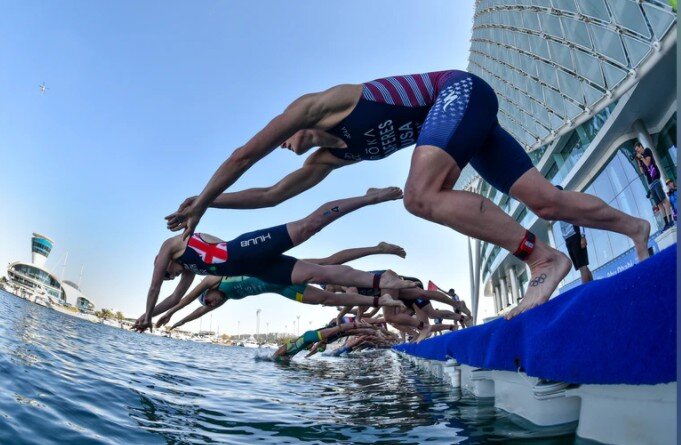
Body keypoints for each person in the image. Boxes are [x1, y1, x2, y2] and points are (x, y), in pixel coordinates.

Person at [165, 69, 650, 320]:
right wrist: (208, 204)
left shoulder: (317, 106)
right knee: (546, 200)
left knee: (419, 195)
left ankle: (540, 258)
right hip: (468, 125)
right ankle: (636, 229)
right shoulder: (327, 161)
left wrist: (206, 195)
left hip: (460, 94)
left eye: (286, 138)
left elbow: (244, 156)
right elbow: (270, 194)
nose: (286, 146)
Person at [136, 187, 415, 332]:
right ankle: (380, 287)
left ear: (160, 263)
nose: (170, 277)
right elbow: (174, 300)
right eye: (169, 277)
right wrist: (148, 316)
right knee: (321, 274)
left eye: (167, 275)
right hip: (263, 271)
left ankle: (369, 197)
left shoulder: (172, 246)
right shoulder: (188, 270)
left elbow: (154, 289)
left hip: (246, 249)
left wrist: (149, 313)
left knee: (309, 226)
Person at [148, 244, 409, 331]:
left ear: (208, 293)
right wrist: (176, 325)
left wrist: (169, 312)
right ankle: (380, 302)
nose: (211, 304)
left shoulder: (213, 280)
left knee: (329, 263)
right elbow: (197, 313)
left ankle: (378, 248)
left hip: (279, 269)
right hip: (283, 288)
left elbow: (184, 300)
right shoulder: (224, 298)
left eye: (208, 301)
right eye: (210, 305)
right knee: (327, 300)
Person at [555, 186, 593, 284]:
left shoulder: (570, 204)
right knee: (582, 265)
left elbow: (580, 218)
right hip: (568, 240)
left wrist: (583, 236)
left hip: (576, 236)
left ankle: (585, 291)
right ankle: (593, 285)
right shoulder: (557, 209)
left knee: (582, 266)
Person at [634, 141, 674, 231]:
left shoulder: (647, 151)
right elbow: (643, 172)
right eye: (636, 151)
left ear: (641, 147)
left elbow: (648, 163)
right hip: (650, 183)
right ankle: (666, 223)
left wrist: (642, 157)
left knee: (664, 200)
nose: (638, 152)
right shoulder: (640, 158)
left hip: (655, 179)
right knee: (659, 204)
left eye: (638, 149)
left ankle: (671, 220)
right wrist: (639, 161)